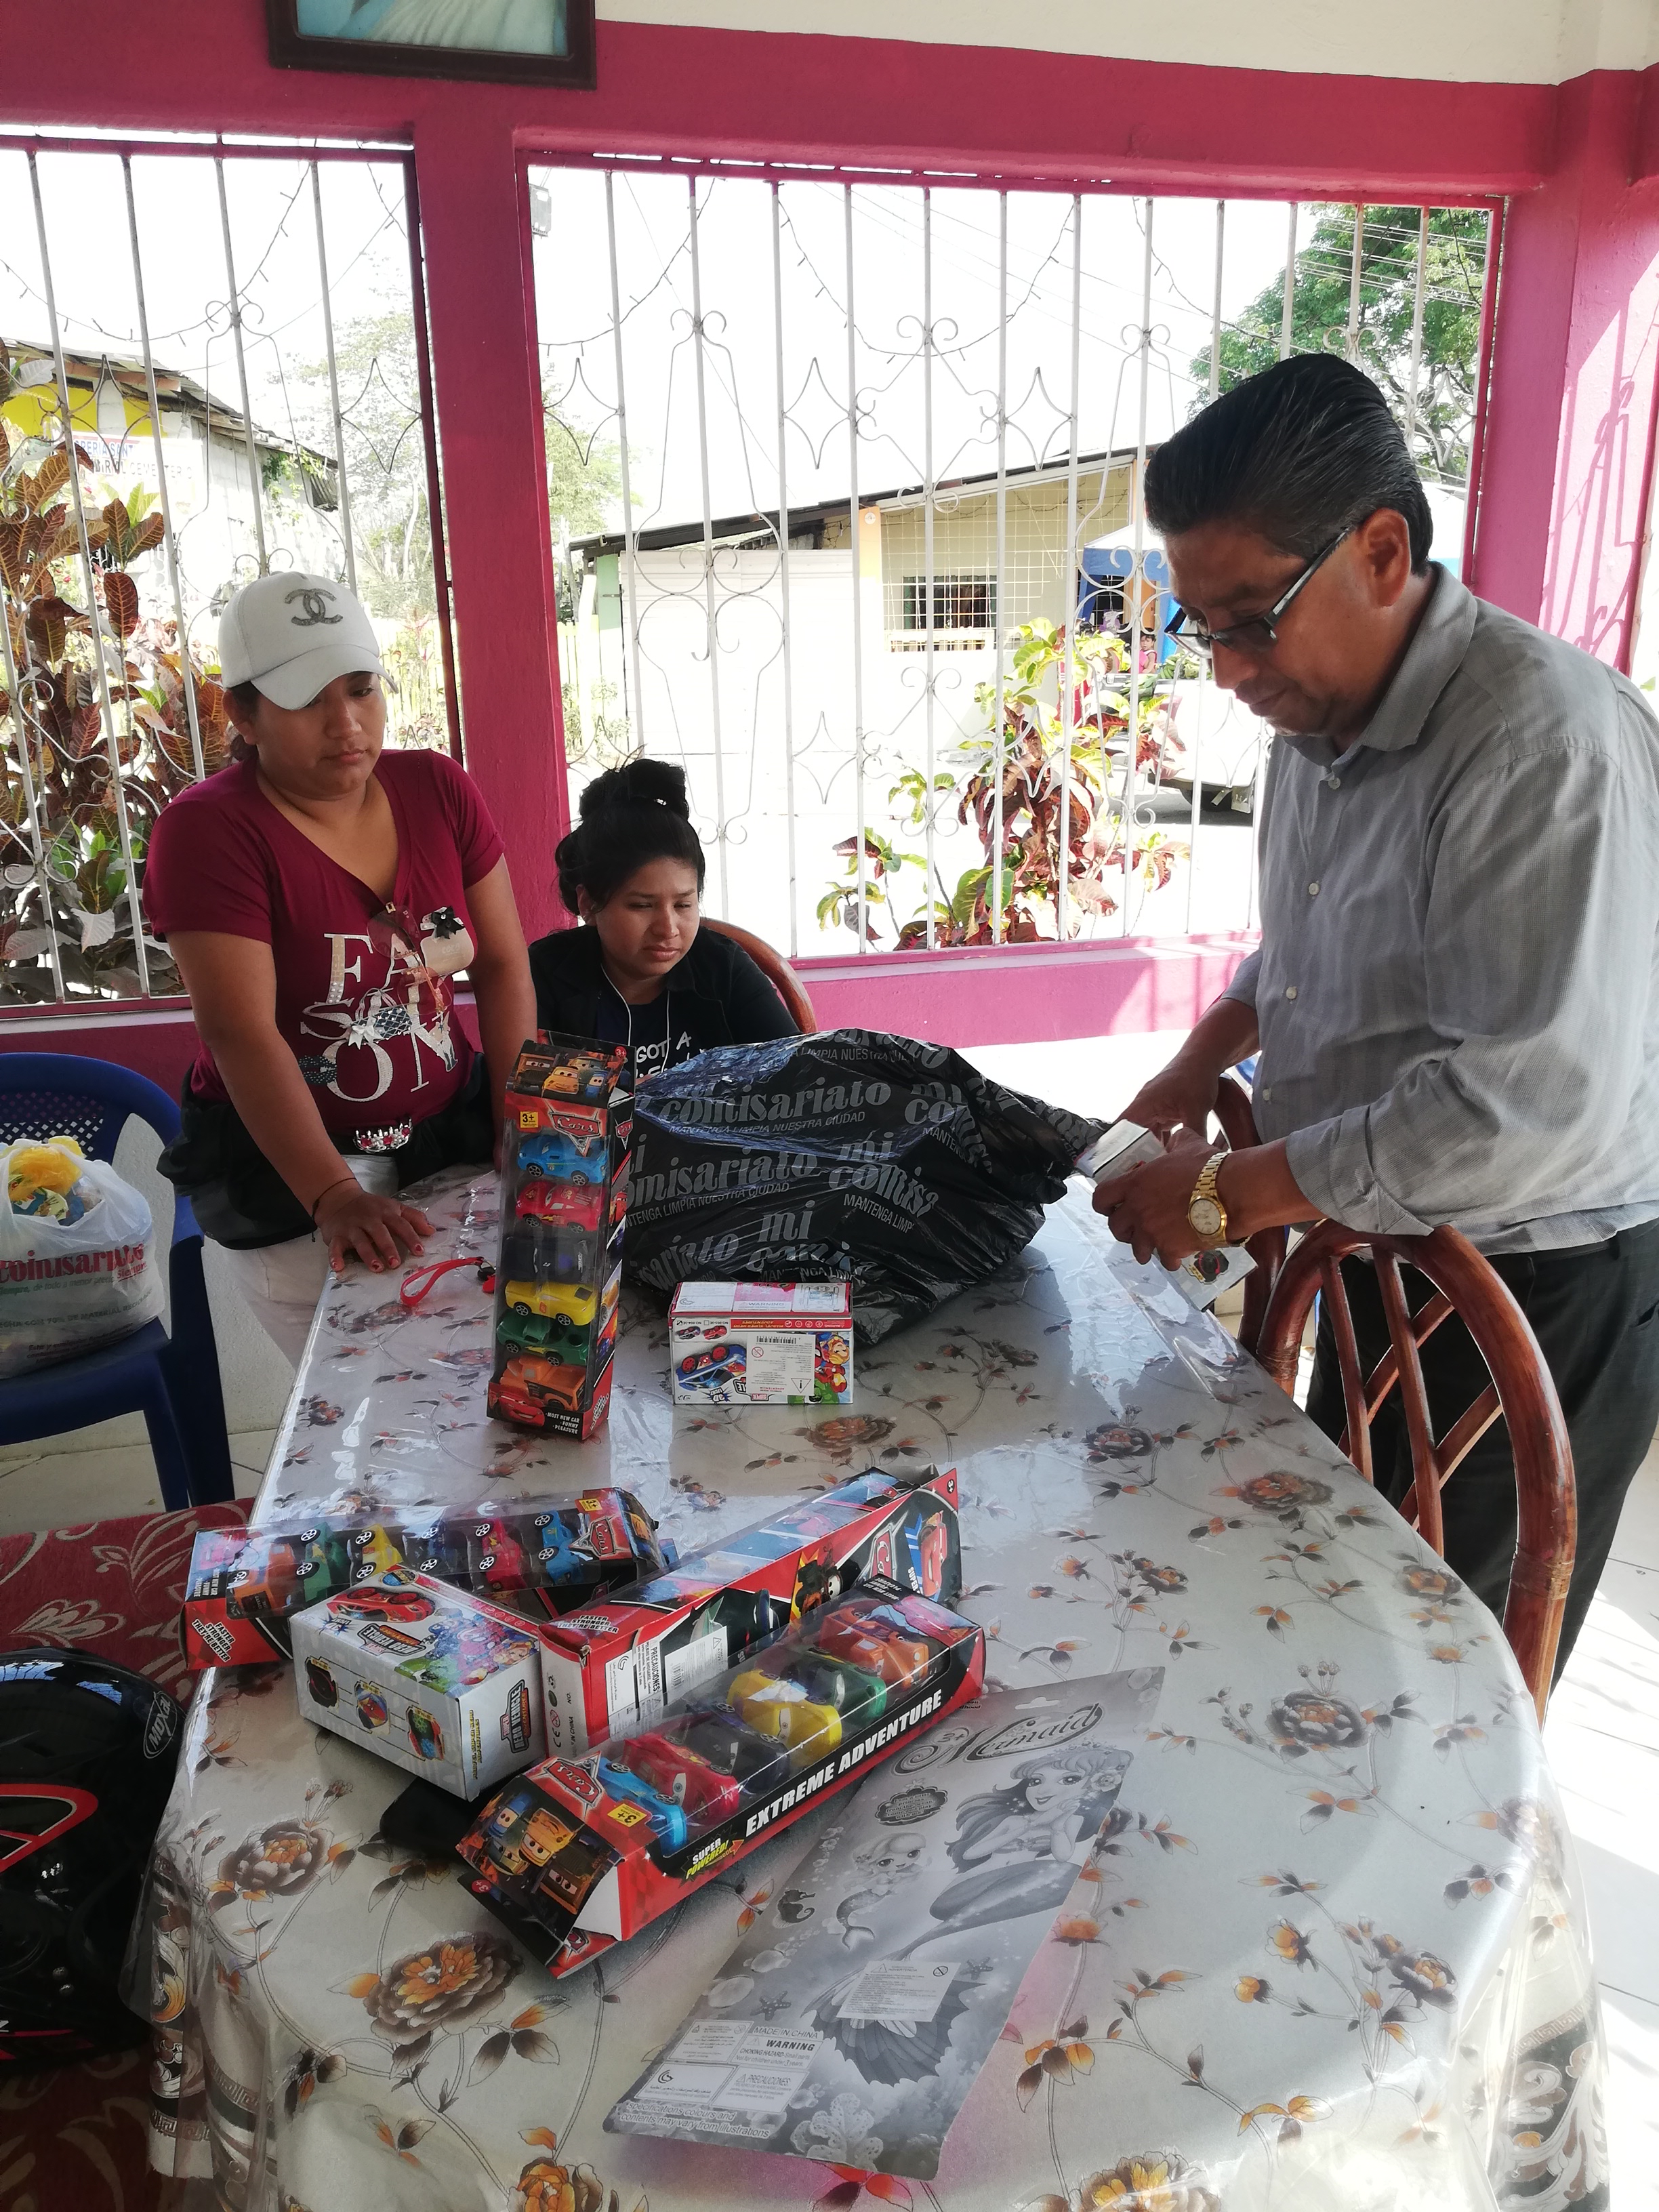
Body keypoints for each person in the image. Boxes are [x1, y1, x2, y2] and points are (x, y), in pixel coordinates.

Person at [1093, 353, 1659, 1674]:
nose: (1225, 669)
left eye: (1249, 620)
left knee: (1447, 1680)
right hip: (1363, 1241)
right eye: (1200, 628)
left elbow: (1512, 1110)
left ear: (1383, 551)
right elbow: (1307, 949)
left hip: (1532, 1281)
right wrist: (1195, 1063)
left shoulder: (1534, 743)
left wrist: (1225, 1194)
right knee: (1341, 1619)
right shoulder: (1315, 724)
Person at [143, 572, 536, 1364]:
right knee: (362, 1400)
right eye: (305, 700)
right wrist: (334, 1196)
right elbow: (240, 1032)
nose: (347, 723)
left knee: (490, 1373)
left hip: (447, 1141)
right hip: (295, 1181)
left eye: (361, 689)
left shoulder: (437, 788)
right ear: (242, 714)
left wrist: (517, 1121)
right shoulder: (209, 832)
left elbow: (501, 965)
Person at [529, 758, 799, 1084]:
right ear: (588, 904)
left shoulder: (721, 967)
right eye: (642, 906)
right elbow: (527, 1083)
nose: (668, 928)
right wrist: (637, 1090)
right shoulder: (545, 973)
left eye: (684, 904)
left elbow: (796, 1069)